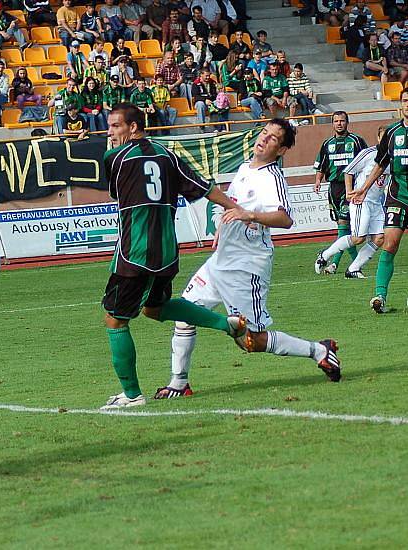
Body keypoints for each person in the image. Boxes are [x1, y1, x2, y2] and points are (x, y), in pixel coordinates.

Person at [157, 119, 342, 400]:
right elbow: (232, 206)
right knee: (184, 315)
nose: (264, 139)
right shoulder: (245, 168)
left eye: (273, 139)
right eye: (264, 133)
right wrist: (222, 228)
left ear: (281, 150)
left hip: (247, 266)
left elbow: (285, 219)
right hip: (219, 262)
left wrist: (250, 215)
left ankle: (319, 350)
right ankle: (179, 383)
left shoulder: (273, 178)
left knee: (250, 342)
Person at [100, 102, 249, 409]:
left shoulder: (114, 157)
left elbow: (116, 193)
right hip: (167, 251)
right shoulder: (168, 156)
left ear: (133, 127)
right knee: (155, 309)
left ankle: (131, 395)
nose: (110, 132)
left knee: (115, 321)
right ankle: (228, 324)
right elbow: (204, 188)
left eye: (115, 126)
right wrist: (234, 207)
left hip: (134, 252)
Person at [350, 90, 408, 313]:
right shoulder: (392, 132)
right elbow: (380, 164)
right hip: (397, 196)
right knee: (390, 243)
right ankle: (380, 296)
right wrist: (363, 188)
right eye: (404, 100)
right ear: (400, 105)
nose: (407, 104)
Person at [316, 127, 387, 280]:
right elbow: (349, 171)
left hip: (376, 203)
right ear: (378, 138)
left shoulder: (392, 157)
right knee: (358, 238)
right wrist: (349, 192)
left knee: (380, 238)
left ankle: (354, 268)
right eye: (383, 138)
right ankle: (325, 254)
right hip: (362, 201)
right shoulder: (368, 154)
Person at [314, 111, 368, 274]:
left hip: (351, 188)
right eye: (336, 121)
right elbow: (321, 165)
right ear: (333, 123)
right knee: (343, 228)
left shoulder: (357, 141)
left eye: (342, 121)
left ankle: (343, 263)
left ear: (347, 122)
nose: (339, 123)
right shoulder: (327, 144)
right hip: (334, 189)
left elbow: (367, 162)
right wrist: (318, 180)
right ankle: (346, 264)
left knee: (345, 227)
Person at [192, 67, 218, 132]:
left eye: (209, 75)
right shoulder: (196, 83)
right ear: (201, 75)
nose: (208, 77)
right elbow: (195, 96)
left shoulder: (212, 82)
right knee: (200, 104)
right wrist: (205, 100)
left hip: (210, 101)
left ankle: (217, 126)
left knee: (218, 103)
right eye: (206, 76)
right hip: (200, 102)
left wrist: (211, 100)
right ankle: (202, 126)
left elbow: (214, 94)